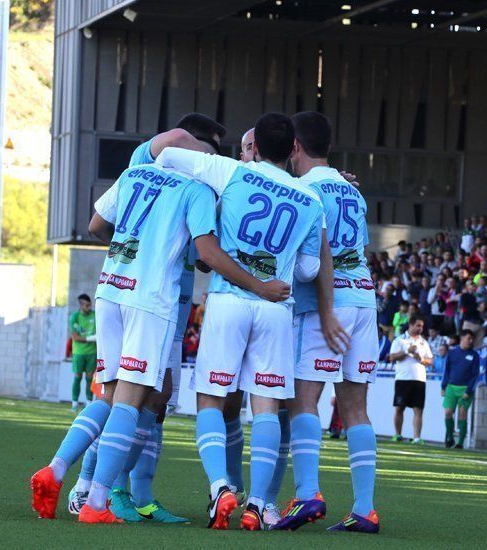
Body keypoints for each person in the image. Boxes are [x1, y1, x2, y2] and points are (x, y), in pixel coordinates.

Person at [30, 114, 247, 523]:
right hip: (150, 301)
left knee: (111, 395)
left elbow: (96, 224)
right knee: (130, 400)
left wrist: (138, 248)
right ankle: (95, 502)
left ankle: (57, 470)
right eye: (211, 152)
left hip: (111, 289)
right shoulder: (197, 187)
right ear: (198, 153)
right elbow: (206, 254)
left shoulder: (136, 174)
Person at [157, 112, 325, 530]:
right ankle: (258, 505)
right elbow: (307, 269)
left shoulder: (229, 171)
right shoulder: (310, 199)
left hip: (229, 299)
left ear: (256, 147)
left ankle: (220, 487)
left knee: (211, 398)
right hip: (275, 307)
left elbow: (165, 154)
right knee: (266, 407)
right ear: (293, 150)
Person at [274, 111, 380, 533]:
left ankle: (306, 495)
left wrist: (325, 308)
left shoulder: (302, 192)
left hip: (325, 305)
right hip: (364, 300)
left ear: (295, 146)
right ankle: (365, 509)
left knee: (304, 400)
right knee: (356, 408)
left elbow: (317, 258)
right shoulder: (353, 192)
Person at [389, 315, 433, 444]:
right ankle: (398, 434)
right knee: (399, 407)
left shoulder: (423, 342)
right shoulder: (400, 340)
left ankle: (417, 437)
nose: (420, 328)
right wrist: (407, 351)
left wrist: (421, 358)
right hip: (403, 378)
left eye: (422, 326)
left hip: (419, 379)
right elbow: (392, 357)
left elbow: (429, 360)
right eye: (418, 325)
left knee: (418, 409)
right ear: (411, 325)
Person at [441, 330, 481, 449]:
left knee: (463, 415)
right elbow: (446, 370)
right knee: (448, 412)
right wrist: (443, 386)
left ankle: (460, 443)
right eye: (468, 338)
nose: (471, 341)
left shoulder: (474, 355)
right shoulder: (452, 353)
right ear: (462, 338)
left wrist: (468, 391)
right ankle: (450, 437)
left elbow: (475, 375)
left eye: (472, 339)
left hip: (465, 388)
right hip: (451, 387)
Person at [68, 294, 97, 411]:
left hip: (92, 352)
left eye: (90, 305)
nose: (89, 307)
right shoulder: (74, 317)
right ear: (81, 305)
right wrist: (92, 338)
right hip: (78, 353)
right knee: (77, 376)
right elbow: (75, 337)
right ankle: (74, 404)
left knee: (90, 377)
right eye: (86, 305)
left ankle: (88, 404)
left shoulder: (95, 315)